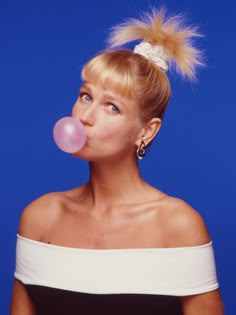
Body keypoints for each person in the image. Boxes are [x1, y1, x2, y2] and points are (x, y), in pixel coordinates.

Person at [10, 7, 224, 315]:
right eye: (86, 96)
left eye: (112, 107)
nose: (84, 117)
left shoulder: (177, 225)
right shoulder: (40, 218)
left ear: (146, 132)